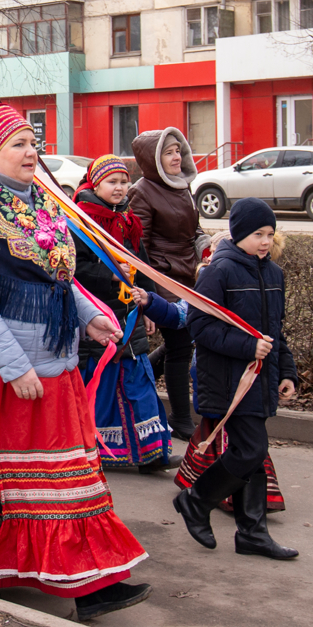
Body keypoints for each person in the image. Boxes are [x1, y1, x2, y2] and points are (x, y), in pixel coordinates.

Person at [0, 103, 150, 623]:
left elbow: (57, 275)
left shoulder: (41, 202)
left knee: (61, 479)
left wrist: (88, 317)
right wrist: (14, 367)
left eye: (32, 142)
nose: (31, 152)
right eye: (18, 144)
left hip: (51, 361)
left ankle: (89, 580)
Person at [173, 198, 300, 561]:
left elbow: (276, 332)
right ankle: (196, 501)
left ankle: (252, 533)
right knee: (251, 449)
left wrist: (287, 371)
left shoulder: (273, 274)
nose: (265, 241)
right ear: (240, 232)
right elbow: (199, 326)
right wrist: (248, 347)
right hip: (229, 380)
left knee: (254, 455)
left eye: (270, 234)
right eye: (258, 234)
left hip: (261, 379)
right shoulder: (219, 271)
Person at [71, 155, 186, 471]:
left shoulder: (128, 218)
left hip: (131, 311)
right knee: (103, 384)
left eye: (124, 182)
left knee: (139, 383)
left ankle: (153, 453)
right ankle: (96, 451)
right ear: (95, 184)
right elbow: (73, 269)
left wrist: (149, 305)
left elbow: (141, 263)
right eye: (113, 182)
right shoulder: (80, 221)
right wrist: (106, 274)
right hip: (99, 315)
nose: (120, 188)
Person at [129, 127, 207, 440]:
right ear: (153, 159)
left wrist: (209, 248)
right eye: (168, 152)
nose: (177, 157)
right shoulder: (142, 192)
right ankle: (180, 419)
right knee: (179, 346)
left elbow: (194, 230)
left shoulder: (182, 187)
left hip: (186, 276)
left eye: (178, 150)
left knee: (181, 343)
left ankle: (139, 386)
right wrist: (148, 294)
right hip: (162, 278)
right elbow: (138, 247)